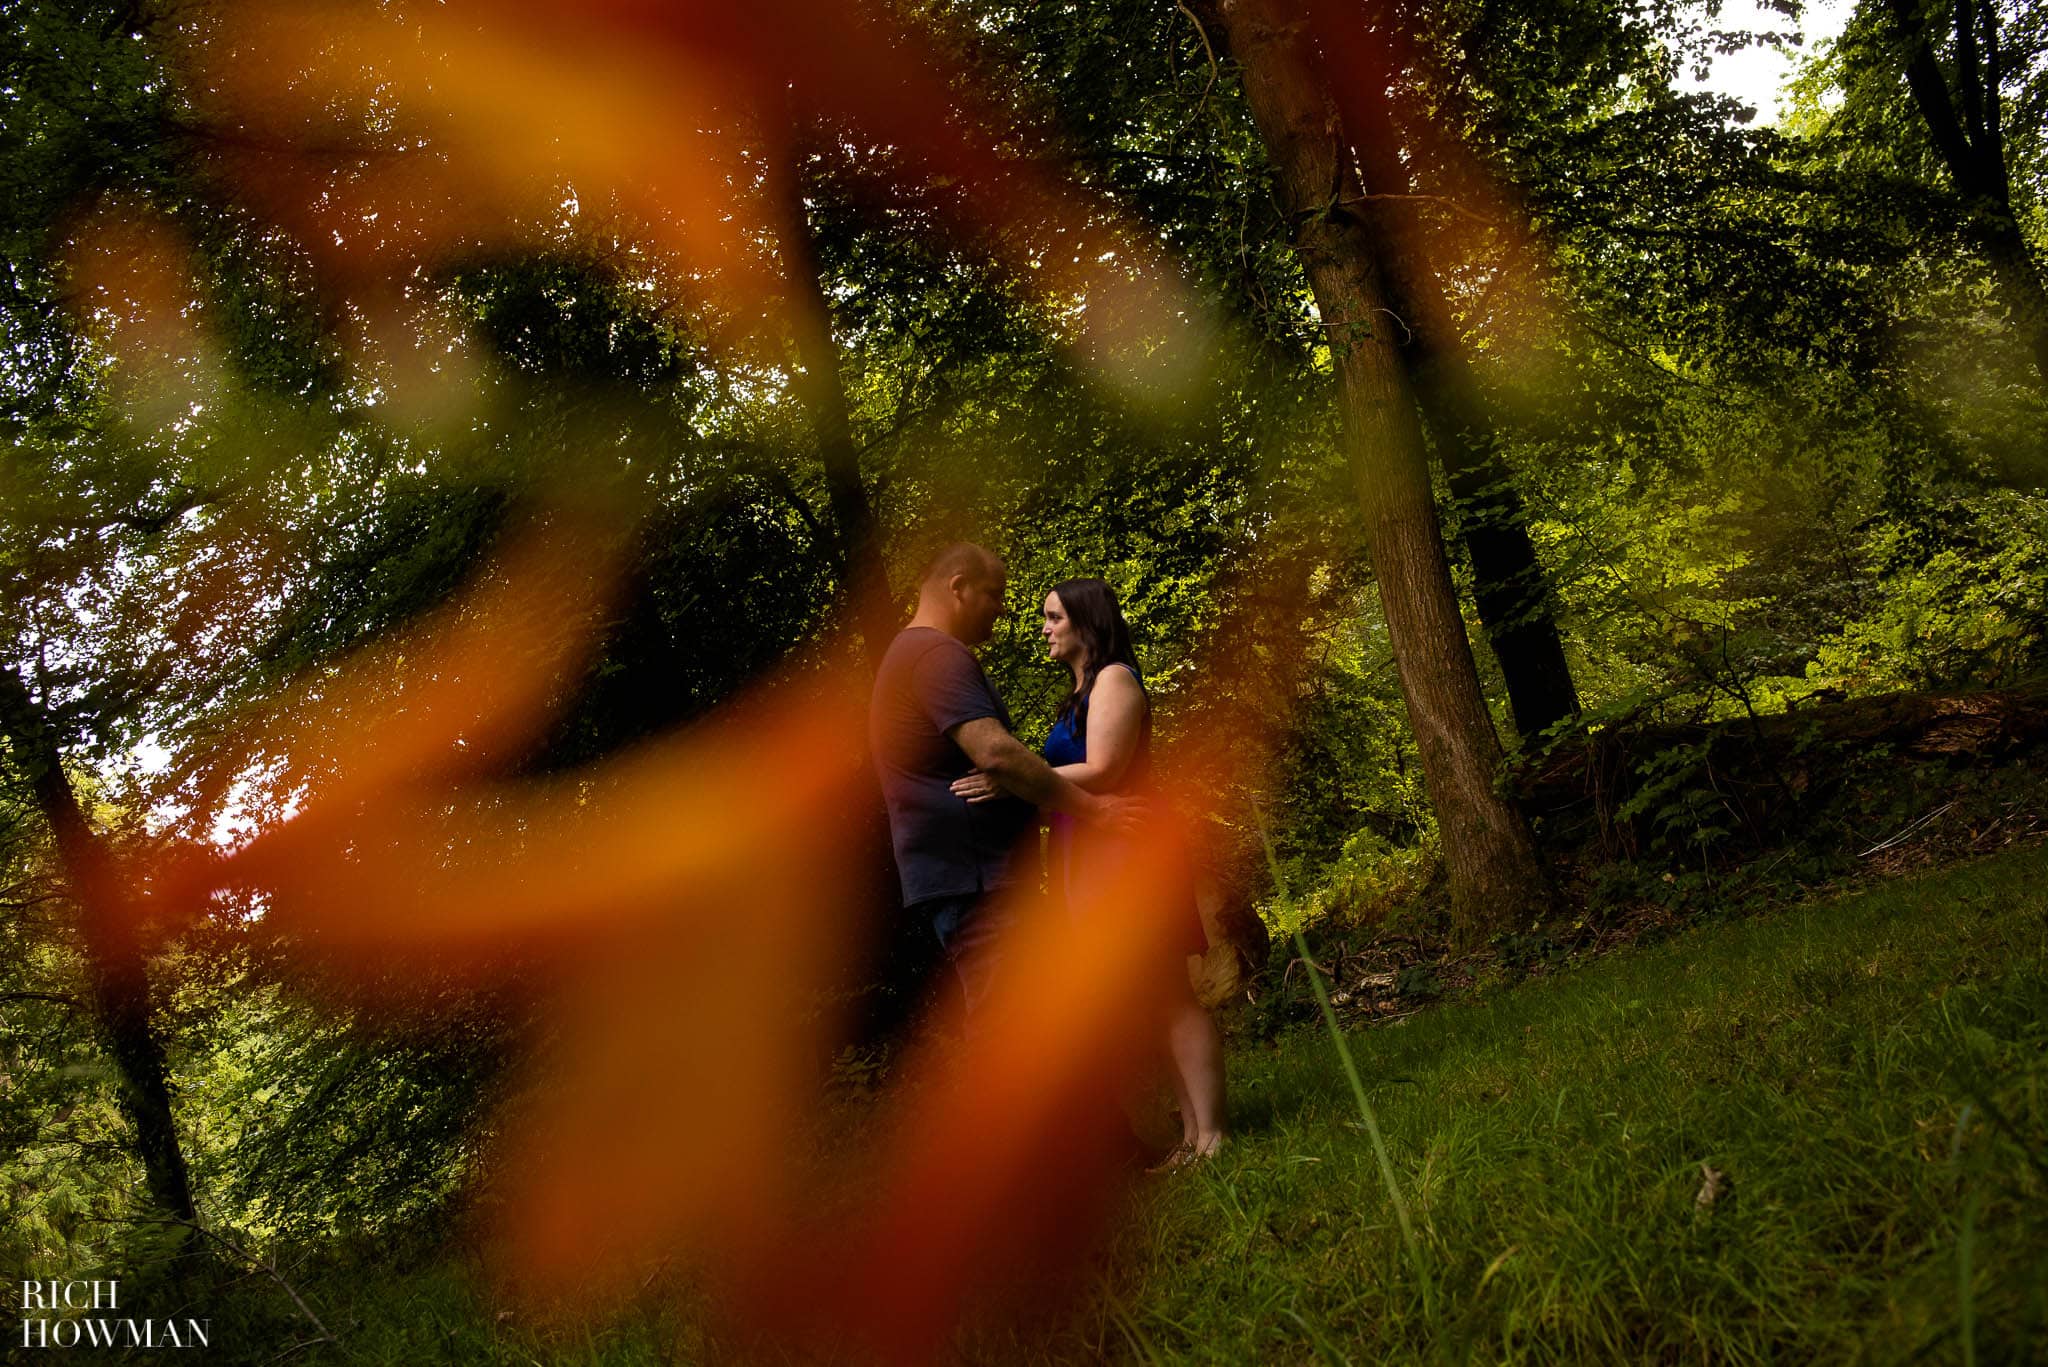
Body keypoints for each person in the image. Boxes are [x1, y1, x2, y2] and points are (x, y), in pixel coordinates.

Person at [953, 577, 1227, 1168]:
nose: (1044, 628)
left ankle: (1212, 1134)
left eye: (1054, 617)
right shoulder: (1079, 692)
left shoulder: (1115, 680)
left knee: (1169, 992)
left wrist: (1015, 781)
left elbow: (1104, 769)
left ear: (1086, 622)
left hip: (1128, 849)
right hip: (1088, 851)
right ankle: (1189, 1137)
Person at [868, 543, 1133, 1016]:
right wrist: (1096, 809)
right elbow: (995, 752)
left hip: (971, 876)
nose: (1002, 607)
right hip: (979, 880)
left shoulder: (912, 653)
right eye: (994, 593)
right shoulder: (934, 653)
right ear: (958, 588)